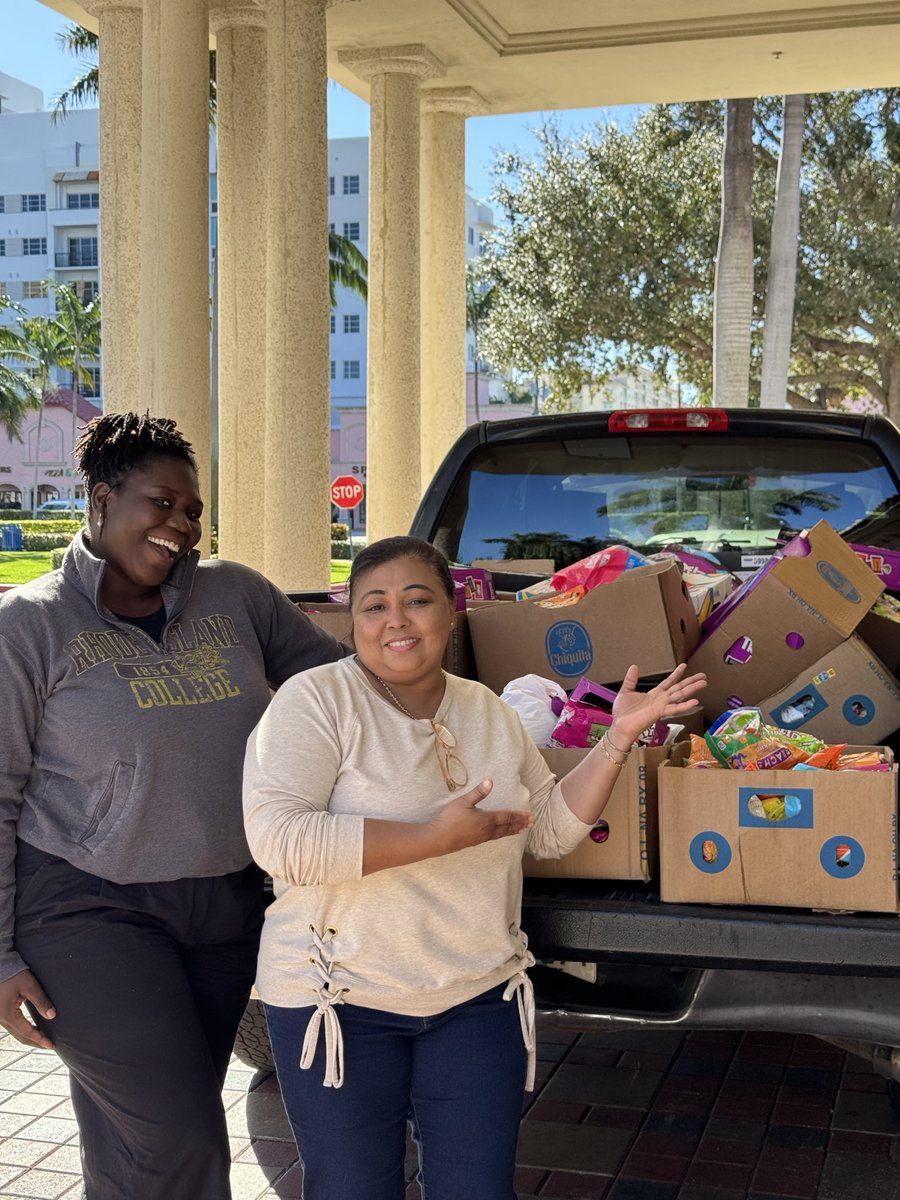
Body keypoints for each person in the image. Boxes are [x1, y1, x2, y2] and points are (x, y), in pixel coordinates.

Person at [242, 535, 706, 1200]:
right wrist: (432, 838)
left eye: (416, 600)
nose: (396, 620)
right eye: (374, 605)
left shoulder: (486, 709)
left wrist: (618, 740)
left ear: (451, 610)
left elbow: (547, 828)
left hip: (476, 998)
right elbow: (279, 839)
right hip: (339, 1001)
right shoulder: (314, 701)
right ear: (353, 620)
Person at [0, 412, 348, 1200]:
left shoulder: (237, 595)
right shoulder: (30, 626)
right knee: (182, 1139)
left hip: (224, 908)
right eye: (162, 503)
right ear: (102, 500)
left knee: (135, 1141)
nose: (181, 526)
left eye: (192, 511)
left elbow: (338, 685)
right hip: (86, 910)